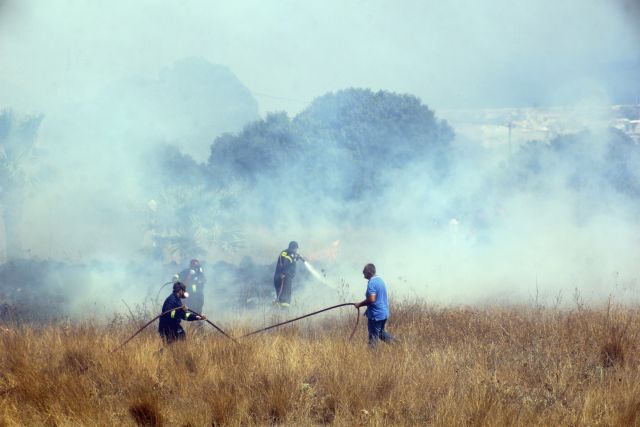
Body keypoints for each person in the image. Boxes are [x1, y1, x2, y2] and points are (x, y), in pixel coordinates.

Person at [355, 263, 394, 348]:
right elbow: (378, 298)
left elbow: (372, 299)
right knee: (380, 333)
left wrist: (360, 304)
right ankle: (398, 344)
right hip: (384, 313)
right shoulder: (380, 280)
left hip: (376, 315)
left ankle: (372, 356)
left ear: (369, 272)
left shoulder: (371, 283)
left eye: (364, 272)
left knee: (373, 339)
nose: (363, 274)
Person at [273, 241, 304, 307]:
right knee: (286, 294)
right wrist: (284, 273)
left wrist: (296, 258)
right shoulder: (291, 254)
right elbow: (286, 262)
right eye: (296, 249)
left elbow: (287, 260)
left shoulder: (284, 252)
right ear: (294, 248)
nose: (296, 250)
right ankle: (285, 311)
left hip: (278, 276)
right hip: (285, 277)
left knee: (280, 295)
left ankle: (278, 310)